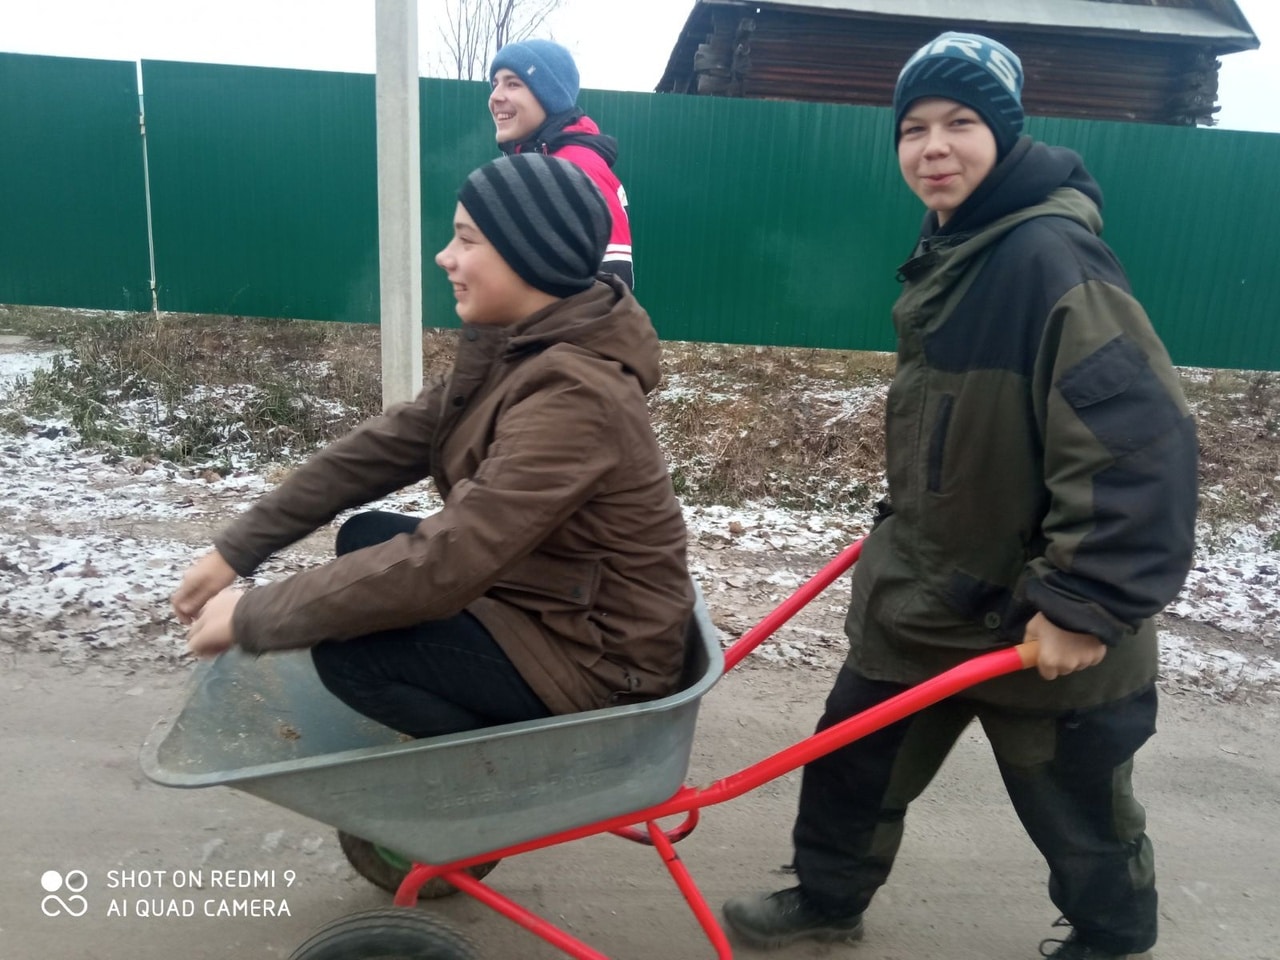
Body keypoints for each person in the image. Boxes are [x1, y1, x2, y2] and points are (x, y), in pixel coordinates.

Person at [722, 32, 1197, 960]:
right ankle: (827, 902)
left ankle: (1112, 937)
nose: (933, 146)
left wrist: (1087, 600)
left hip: (1041, 617)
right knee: (851, 763)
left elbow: (1140, 445)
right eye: (915, 128)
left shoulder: (1051, 260)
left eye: (962, 123)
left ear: (1008, 136)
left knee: (1079, 808)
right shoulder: (960, 249)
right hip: (932, 595)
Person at [172, 152, 693, 738]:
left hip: (600, 661)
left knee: (354, 658)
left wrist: (253, 615)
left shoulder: (577, 394)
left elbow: (451, 558)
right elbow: (380, 449)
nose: (445, 256)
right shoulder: (518, 348)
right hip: (545, 596)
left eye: (466, 239)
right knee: (364, 536)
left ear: (530, 256)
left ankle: (469, 788)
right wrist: (238, 550)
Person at [488, 38, 635, 289]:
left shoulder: (577, 170)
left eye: (513, 84)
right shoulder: (535, 165)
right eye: (495, 84)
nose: (495, 96)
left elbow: (610, 292)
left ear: (549, 96)